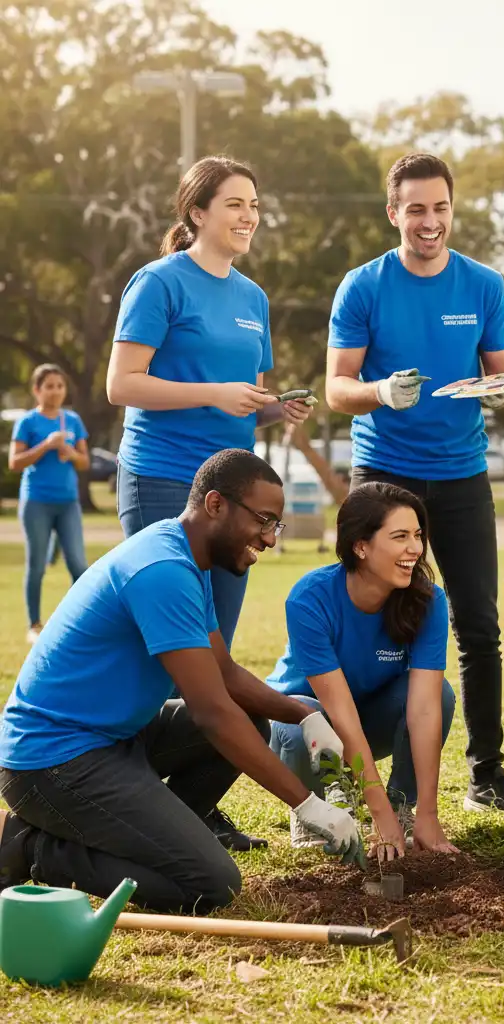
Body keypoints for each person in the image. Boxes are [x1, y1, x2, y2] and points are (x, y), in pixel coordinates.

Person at [0, 450, 362, 911]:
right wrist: (308, 805)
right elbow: (212, 713)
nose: (270, 537)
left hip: (112, 739)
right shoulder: (164, 570)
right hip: (52, 761)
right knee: (209, 885)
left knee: (253, 722)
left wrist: (302, 714)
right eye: (264, 520)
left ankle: (157, 839)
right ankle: (26, 847)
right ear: (215, 504)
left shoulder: (187, 556)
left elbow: (224, 672)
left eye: (277, 524)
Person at [106, 155, 313, 850]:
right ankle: (128, 791)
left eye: (254, 203)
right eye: (234, 203)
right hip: (165, 481)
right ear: (197, 213)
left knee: (217, 653)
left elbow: (241, 395)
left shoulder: (252, 298)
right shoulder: (160, 282)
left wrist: (274, 406)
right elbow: (122, 384)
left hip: (233, 495)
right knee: (168, 648)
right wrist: (213, 394)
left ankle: (194, 804)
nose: (248, 214)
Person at [325, 152, 504, 813]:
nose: (429, 222)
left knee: (479, 626)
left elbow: (503, 379)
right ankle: (351, 777)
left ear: (451, 210)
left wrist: (500, 392)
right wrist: (380, 390)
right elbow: (336, 388)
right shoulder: (363, 286)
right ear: (393, 213)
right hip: (383, 475)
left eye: (439, 208)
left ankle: (486, 776)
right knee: (369, 620)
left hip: (461, 474)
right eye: (415, 209)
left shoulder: (485, 285)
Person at [268, 483, 460, 860]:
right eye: (400, 536)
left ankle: (402, 805)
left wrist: (429, 815)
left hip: (371, 716)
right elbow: (340, 714)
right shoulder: (310, 598)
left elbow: (423, 709)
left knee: (440, 695)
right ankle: (315, 807)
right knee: (299, 724)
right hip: (305, 725)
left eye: (418, 535)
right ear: (361, 546)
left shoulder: (427, 599)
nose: (415, 549)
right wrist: (378, 817)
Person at [8, 364, 90, 644]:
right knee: (37, 566)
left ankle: (82, 621)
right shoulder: (28, 422)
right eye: (49, 386)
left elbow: (85, 461)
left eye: (60, 386)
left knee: (79, 565)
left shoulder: (73, 420)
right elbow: (14, 463)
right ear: (37, 390)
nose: (55, 391)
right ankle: (34, 625)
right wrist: (46, 445)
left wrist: (69, 452)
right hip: (37, 503)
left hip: (67, 503)